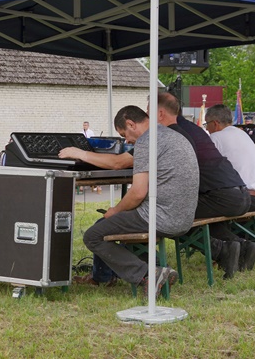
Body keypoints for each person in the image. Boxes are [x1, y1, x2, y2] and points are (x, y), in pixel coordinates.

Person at [83, 106, 198, 297]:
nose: (127, 141)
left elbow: (137, 193)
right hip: (184, 216)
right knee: (113, 225)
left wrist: (115, 210)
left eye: (124, 135)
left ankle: (148, 274)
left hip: (161, 217)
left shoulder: (147, 140)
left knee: (93, 235)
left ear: (131, 124)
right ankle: (153, 268)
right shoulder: (172, 135)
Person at [157, 92, 250, 278]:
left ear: (160, 113)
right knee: (188, 213)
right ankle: (242, 245)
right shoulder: (193, 128)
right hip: (241, 192)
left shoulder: (174, 132)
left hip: (221, 194)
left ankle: (222, 250)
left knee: (173, 215)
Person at [204, 104, 255, 270]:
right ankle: (243, 247)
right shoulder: (242, 134)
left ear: (215, 123)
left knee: (201, 211)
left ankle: (235, 248)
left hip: (245, 196)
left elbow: (209, 171)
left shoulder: (216, 138)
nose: (207, 129)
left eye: (207, 124)